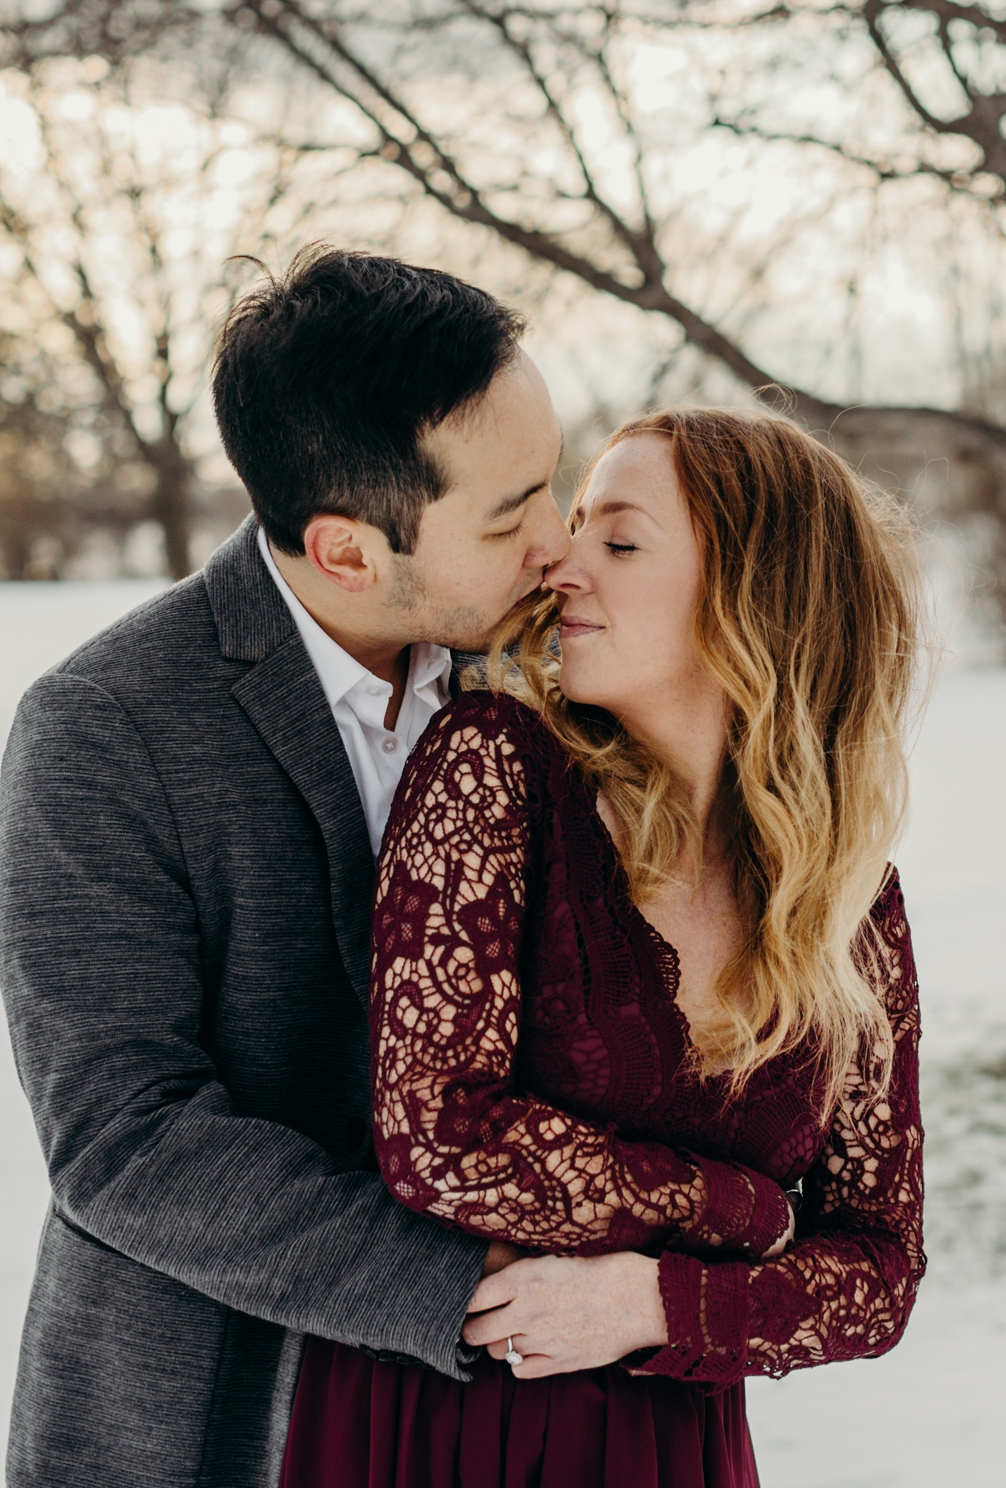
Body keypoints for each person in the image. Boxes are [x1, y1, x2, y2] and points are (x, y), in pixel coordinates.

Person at [0, 246, 647, 1487]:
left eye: (550, 485)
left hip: (519, 1419)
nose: (557, 541)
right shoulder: (102, 728)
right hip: (215, 1407)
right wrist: (459, 1282)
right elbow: (123, 1135)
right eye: (510, 512)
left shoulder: (558, 686)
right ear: (347, 550)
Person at [278, 407, 929, 1487]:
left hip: (672, 1448)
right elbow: (437, 1131)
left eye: (619, 541)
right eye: (576, 527)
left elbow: (881, 1267)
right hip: (444, 1428)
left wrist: (661, 1302)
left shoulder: (850, 902)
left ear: (756, 601)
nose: (561, 566)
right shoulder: (496, 768)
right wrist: (741, 1209)